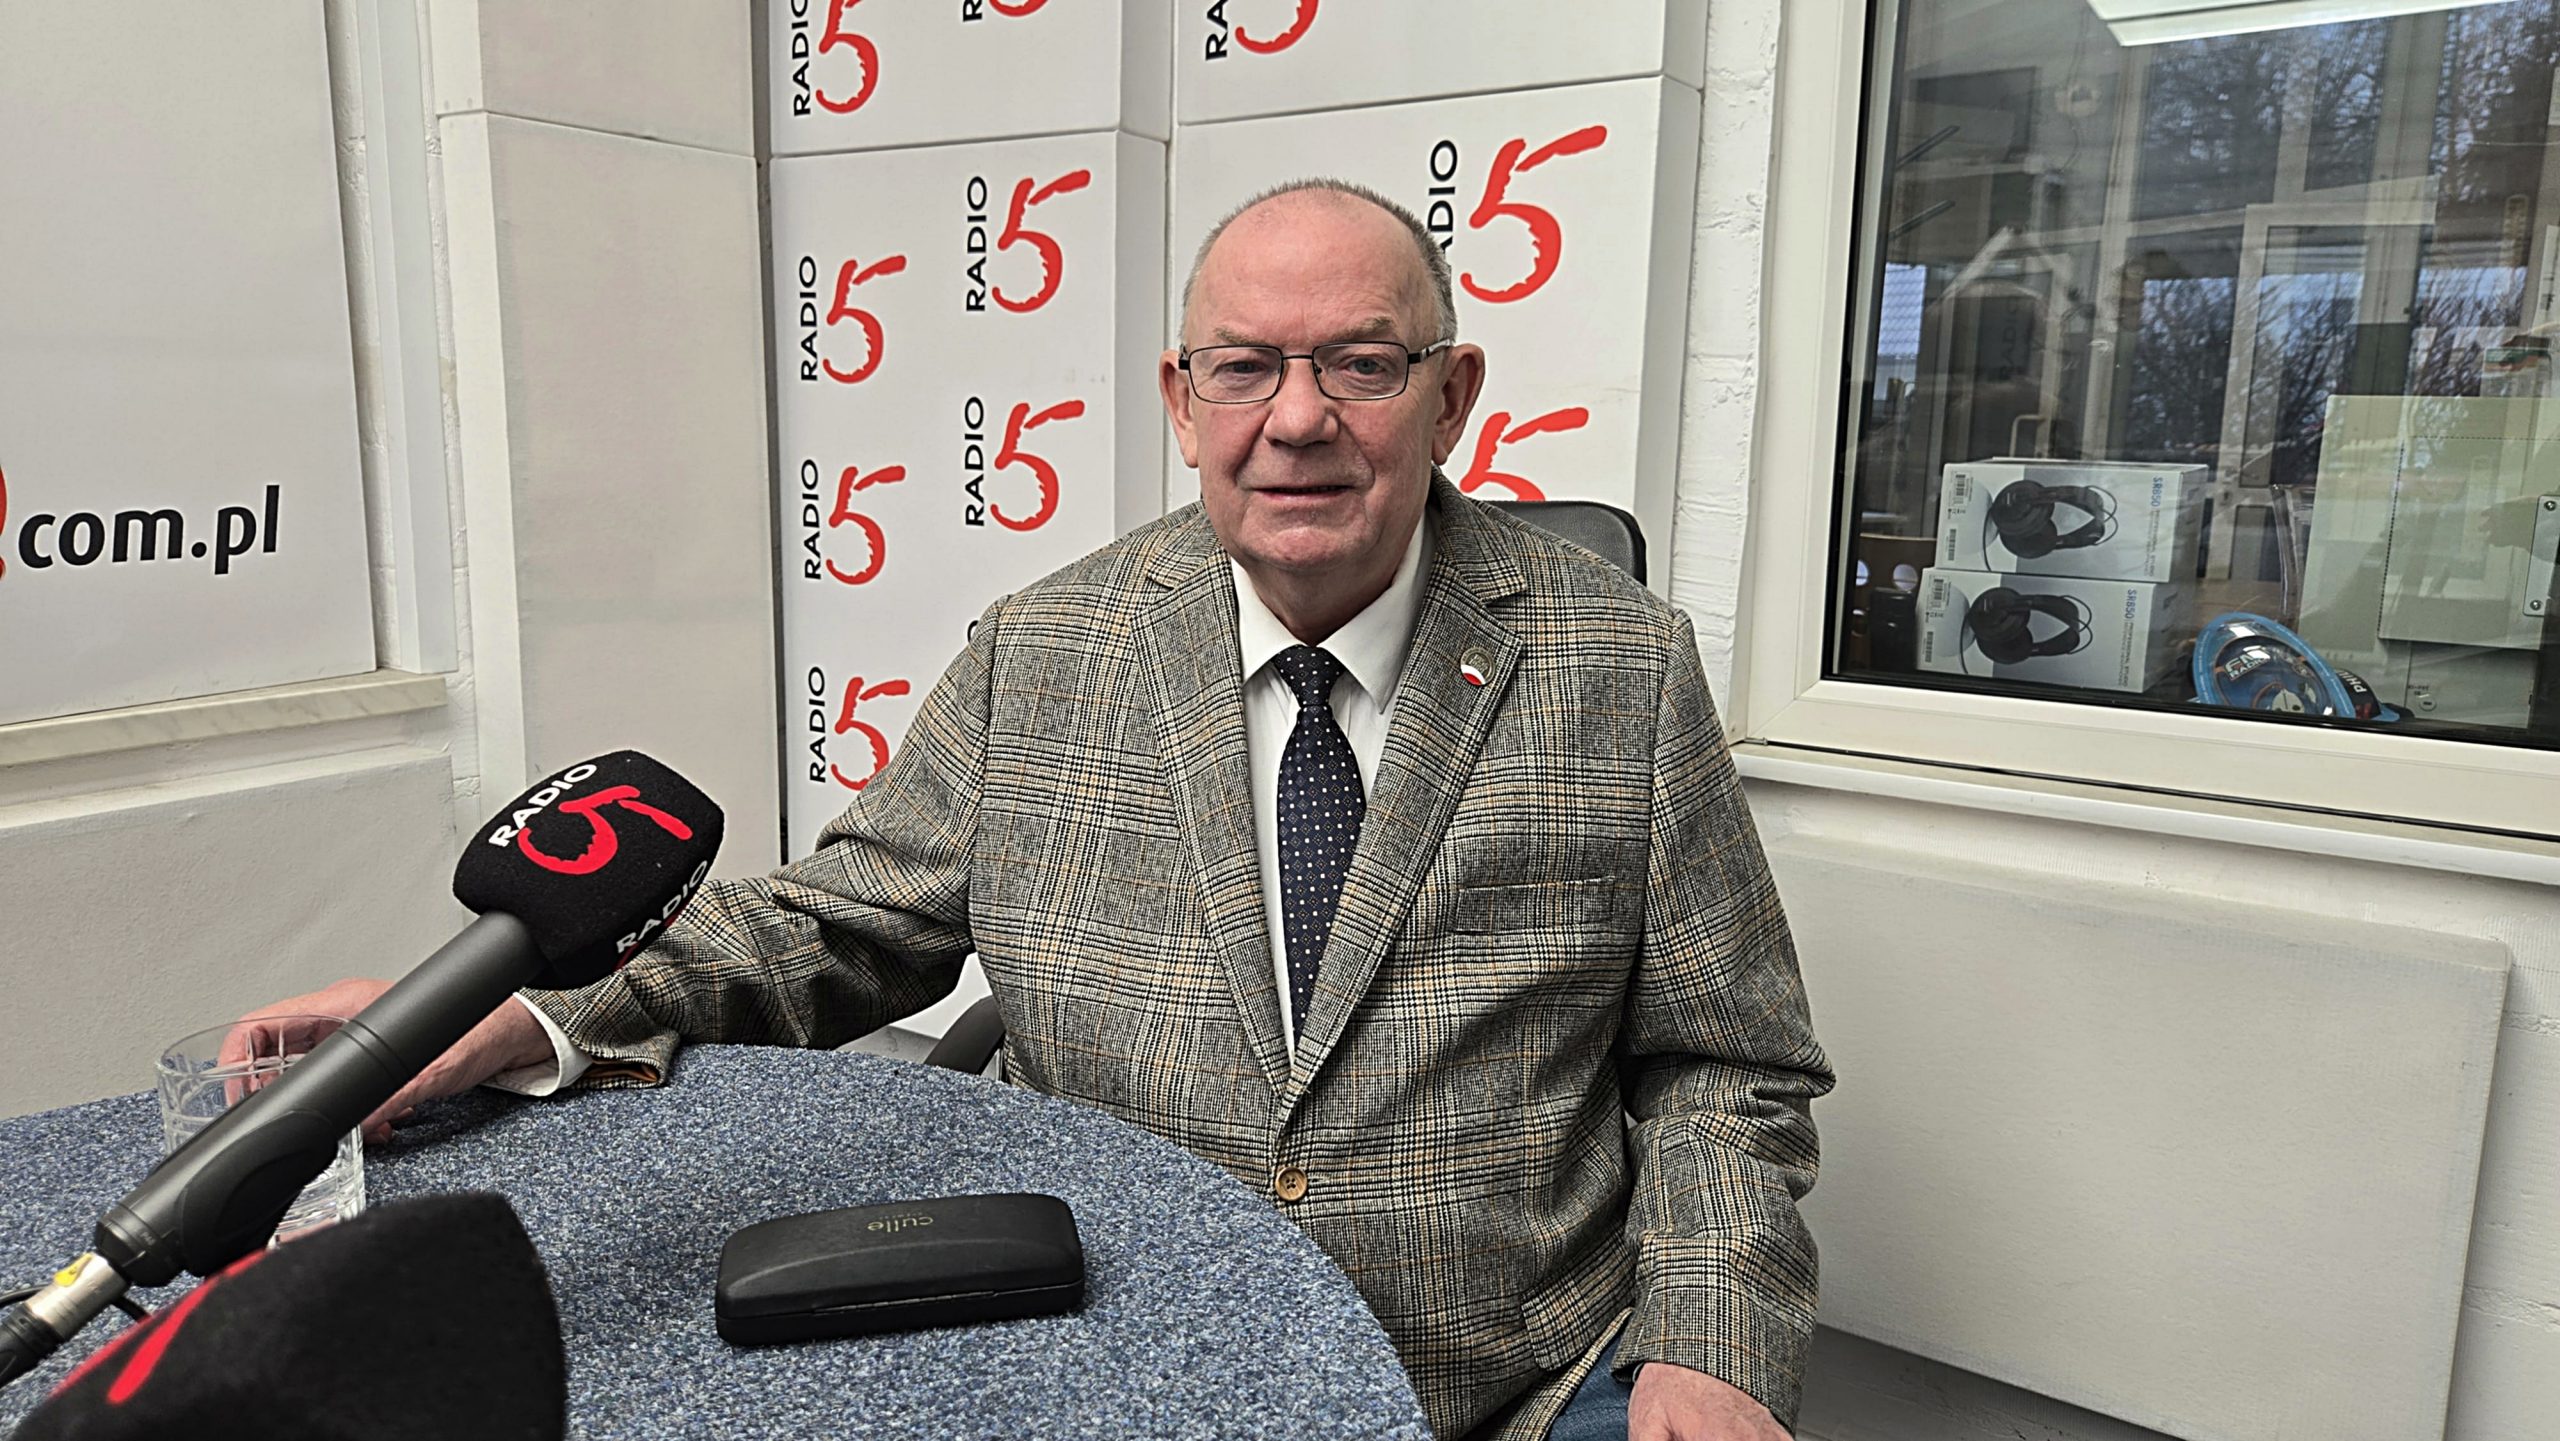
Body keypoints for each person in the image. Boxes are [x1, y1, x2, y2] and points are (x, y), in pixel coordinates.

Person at [258, 180, 1831, 1441]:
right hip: (1131, 1355)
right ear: (1182, 399)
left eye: (1361, 362)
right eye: (1244, 366)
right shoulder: (1048, 649)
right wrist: (512, 1010)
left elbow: (1727, 1061)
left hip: (1510, 1380)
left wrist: (1708, 1339)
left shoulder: (1618, 663)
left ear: (1451, 395)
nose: (1297, 418)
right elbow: (832, 924)